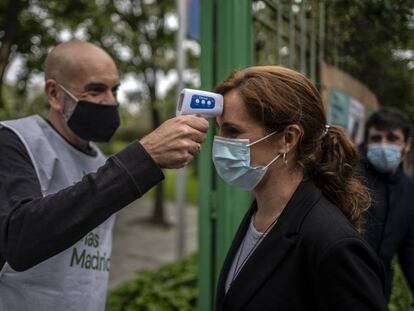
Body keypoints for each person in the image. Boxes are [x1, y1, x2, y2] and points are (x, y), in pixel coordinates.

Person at [0, 40, 209, 311]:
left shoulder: (99, 160)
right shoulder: (14, 141)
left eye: (115, 90)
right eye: (95, 90)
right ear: (54, 94)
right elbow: (20, 238)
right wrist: (144, 157)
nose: (111, 101)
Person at [212, 66, 387, 310]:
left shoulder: (333, 243)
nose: (219, 142)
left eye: (232, 131)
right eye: (218, 129)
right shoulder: (262, 214)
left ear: (288, 139)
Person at [359, 108, 414, 302]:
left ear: (406, 145)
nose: (383, 145)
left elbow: (410, 250)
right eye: (376, 138)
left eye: (392, 138)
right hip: (338, 283)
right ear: (366, 142)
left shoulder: (408, 190)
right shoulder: (348, 175)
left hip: (378, 290)